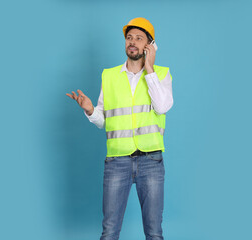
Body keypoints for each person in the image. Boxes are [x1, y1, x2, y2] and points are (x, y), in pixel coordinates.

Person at [66, 17, 173, 240]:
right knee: (109, 232)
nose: (132, 42)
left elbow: (162, 107)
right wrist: (89, 110)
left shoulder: (161, 74)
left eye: (139, 38)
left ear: (149, 45)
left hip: (151, 161)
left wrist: (150, 68)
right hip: (117, 162)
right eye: (129, 38)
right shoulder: (110, 75)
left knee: (154, 233)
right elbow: (105, 120)